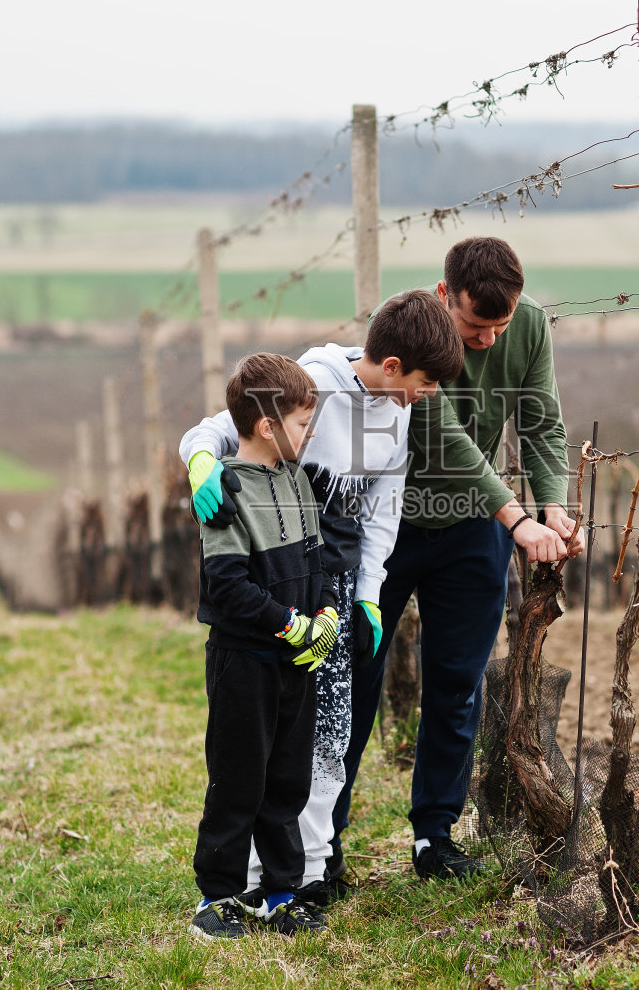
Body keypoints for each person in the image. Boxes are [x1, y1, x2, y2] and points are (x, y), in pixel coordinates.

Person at [180, 290, 465, 906]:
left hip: (335, 593)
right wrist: (202, 462)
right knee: (266, 737)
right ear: (392, 366)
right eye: (425, 381)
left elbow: (383, 507)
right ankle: (247, 879)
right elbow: (212, 430)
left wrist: (369, 593)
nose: (429, 394)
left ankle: (308, 871)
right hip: (279, 583)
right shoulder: (311, 383)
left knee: (327, 735)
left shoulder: (400, 408)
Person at [337, 235, 585, 881]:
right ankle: (321, 842)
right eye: (477, 325)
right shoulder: (416, 329)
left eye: (501, 326)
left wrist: (553, 504)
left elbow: (540, 421)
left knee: (456, 688)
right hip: (387, 527)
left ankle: (434, 838)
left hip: (473, 531)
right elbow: (441, 434)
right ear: (447, 297)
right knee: (354, 683)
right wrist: (517, 516)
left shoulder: (526, 327)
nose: (490, 342)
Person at [188, 352, 339, 940]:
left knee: (287, 781)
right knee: (238, 779)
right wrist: (287, 623)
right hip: (244, 660)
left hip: (295, 659)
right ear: (268, 425)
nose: (311, 433)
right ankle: (217, 896)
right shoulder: (226, 489)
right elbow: (226, 585)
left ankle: (281, 893)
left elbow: (319, 561)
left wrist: (324, 618)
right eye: (303, 423)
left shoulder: (299, 481)